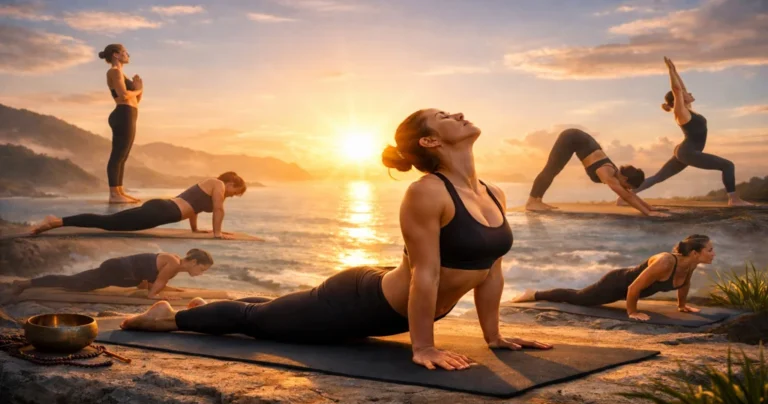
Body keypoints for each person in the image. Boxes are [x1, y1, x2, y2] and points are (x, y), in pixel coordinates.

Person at [121, 109, 552, 371]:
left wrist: (493, 336)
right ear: (431, 141)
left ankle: (203, 308)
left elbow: (490, 268)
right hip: (359, 303)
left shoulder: (494, 192)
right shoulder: (426, 192)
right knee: (258, 324)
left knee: (273, 312)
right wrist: (422, 347)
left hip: (388, 297)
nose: (457, 113)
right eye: (443, 116)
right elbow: (427, 274)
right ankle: (166, 317)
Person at [621, 57, 752, 207]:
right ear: (679, 99)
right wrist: (670, 72)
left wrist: (675, 71)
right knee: (728, 165)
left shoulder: (688, 109)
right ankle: (734, 200)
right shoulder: (681, 113)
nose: (688, 92)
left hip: (684, 150)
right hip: (688, 152)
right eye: (685, 92)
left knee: (658, 177)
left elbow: (680, 89)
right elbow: (677, 90)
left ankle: (625, 197)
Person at [511, 235, 713, 321]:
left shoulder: (691, 264)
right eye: (710, 250)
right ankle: (534, 294)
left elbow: (684, 285)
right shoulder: (665, 261)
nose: (713, 254)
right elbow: (634, 288)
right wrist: (632, 312)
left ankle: (535, 293)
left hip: (624, 288)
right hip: (616, 283)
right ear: (695, 252)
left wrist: (682, 305)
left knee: (580, 296)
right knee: (579, 298)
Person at [29, 172, 247, 240]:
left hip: (161, 210)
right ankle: (56, 222)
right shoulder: (217, 183)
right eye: (235, 192)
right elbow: (218, 209)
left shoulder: (211, 188)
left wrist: (195, 230)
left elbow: (194, 208)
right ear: (231, 182)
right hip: (162, 210)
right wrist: (217, 234)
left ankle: (58, 221)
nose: (232, 195)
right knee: (107, 222)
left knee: (110, 223)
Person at [525, 128, 668, 217]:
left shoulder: (617, 175)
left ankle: (539, 201)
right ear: (624, 178)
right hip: (571, 138)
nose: (627, 188)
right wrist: (648, 213)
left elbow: (629, 194)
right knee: (551, 169)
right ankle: (532, 202)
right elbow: (626, 196)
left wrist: (650, 207)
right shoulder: (607, 173)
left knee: (553, 170)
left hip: (582, 140)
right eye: (627, 185)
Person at [11, 249, 214, 301]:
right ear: (194, 262)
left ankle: (27, 282)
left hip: (117, 271)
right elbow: (152, 292)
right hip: (118, 270)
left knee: (75, 283)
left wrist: (172, 290)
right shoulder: (173, 263)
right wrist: (159, 295)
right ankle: (25, 283)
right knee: (73, 282)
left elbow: (150, 285)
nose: (201, 274)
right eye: (202, 269)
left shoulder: (173, 266)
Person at [100, 44, 144, 204]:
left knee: (123, 156)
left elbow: (135, 100)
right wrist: (138, 89)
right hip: (122, 115)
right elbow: (124, 95)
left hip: (130, 114)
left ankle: (119, 192)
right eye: (126, 52)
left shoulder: (122, 74)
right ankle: (113, 195)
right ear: (116, 55)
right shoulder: (114, 71)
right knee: (117, 156)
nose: (128, 55)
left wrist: (140, 89)